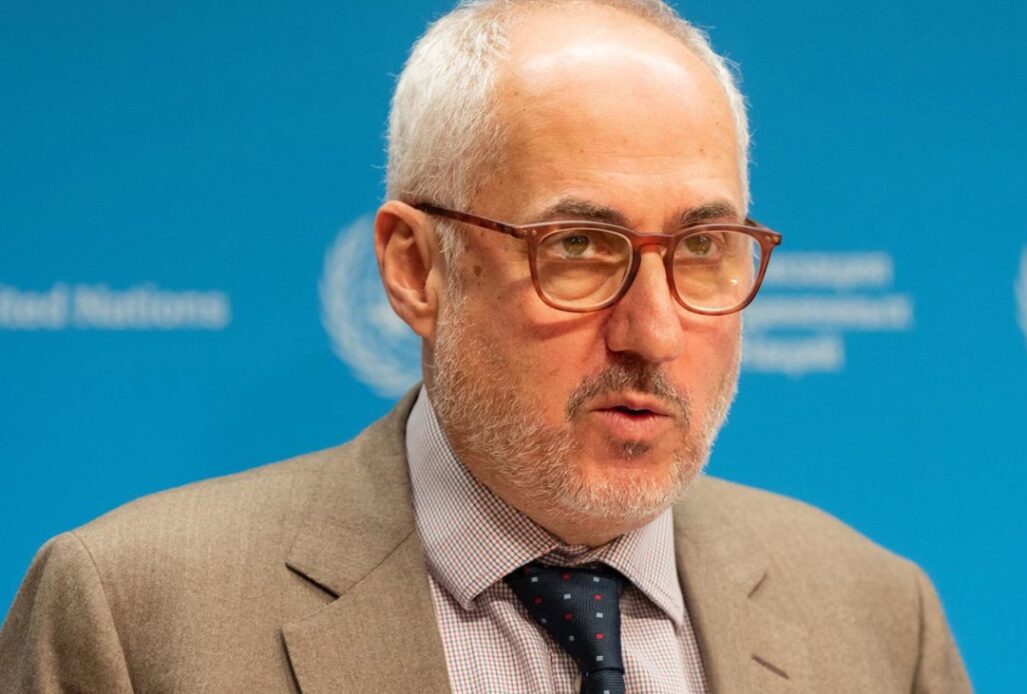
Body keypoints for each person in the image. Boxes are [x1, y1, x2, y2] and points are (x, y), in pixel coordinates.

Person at [0, 0, 971, 692]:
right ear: (417, 268)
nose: (653, 331)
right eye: (578, 248)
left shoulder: (882, 619)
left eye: (704, 248)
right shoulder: (132, 619)